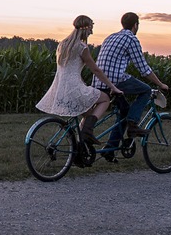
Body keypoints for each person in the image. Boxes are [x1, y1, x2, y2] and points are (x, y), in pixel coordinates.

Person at [36, 15, 123, 162]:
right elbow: (96, 70)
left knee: (87, 115)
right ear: (86, 28)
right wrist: (113, 87)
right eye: (91, 29)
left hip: (60, 90)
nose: (92, 32)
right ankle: (87, 132)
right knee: (105, 99)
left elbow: (69, 71)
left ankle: (79, 149)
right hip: (74, 89)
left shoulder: (62, 44)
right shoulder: (82, 47)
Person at [92, 12, 169, 160]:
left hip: (99, 80)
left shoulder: (111, 37)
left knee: (124, 112)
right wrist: (160, 84)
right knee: (146, 90)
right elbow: (144, 69)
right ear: (135, 25)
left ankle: (110, 149)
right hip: (115, 80)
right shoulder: (131, 39)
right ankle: (133, 125)